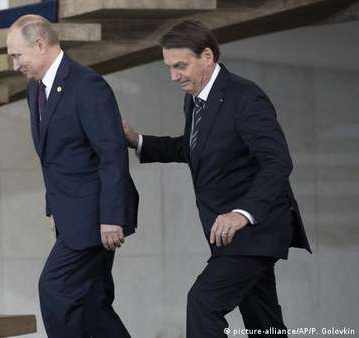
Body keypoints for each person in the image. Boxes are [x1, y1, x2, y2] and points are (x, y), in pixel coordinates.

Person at [123, 20, 311, 337]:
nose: (173, 76)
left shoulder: (245, 98)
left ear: (207, 57)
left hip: (254, 230)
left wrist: (242, 213)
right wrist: (138, 140)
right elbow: (195, 146)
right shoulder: (194, 98)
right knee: (264, 323)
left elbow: (278, 162)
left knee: (203, 303)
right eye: (169, 67)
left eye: (180, 65)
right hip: (230, 237)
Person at [6, 14, 139, 338]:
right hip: (71, 216)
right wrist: (54, 208)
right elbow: (56, 159)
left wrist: (111, 217)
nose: (14, 65)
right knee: (92, 303)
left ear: (39, 45)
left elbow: (111, 153)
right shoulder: (35, 90)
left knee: (55, 290)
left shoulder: (87, 85)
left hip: (95, 217)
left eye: (16, 55)